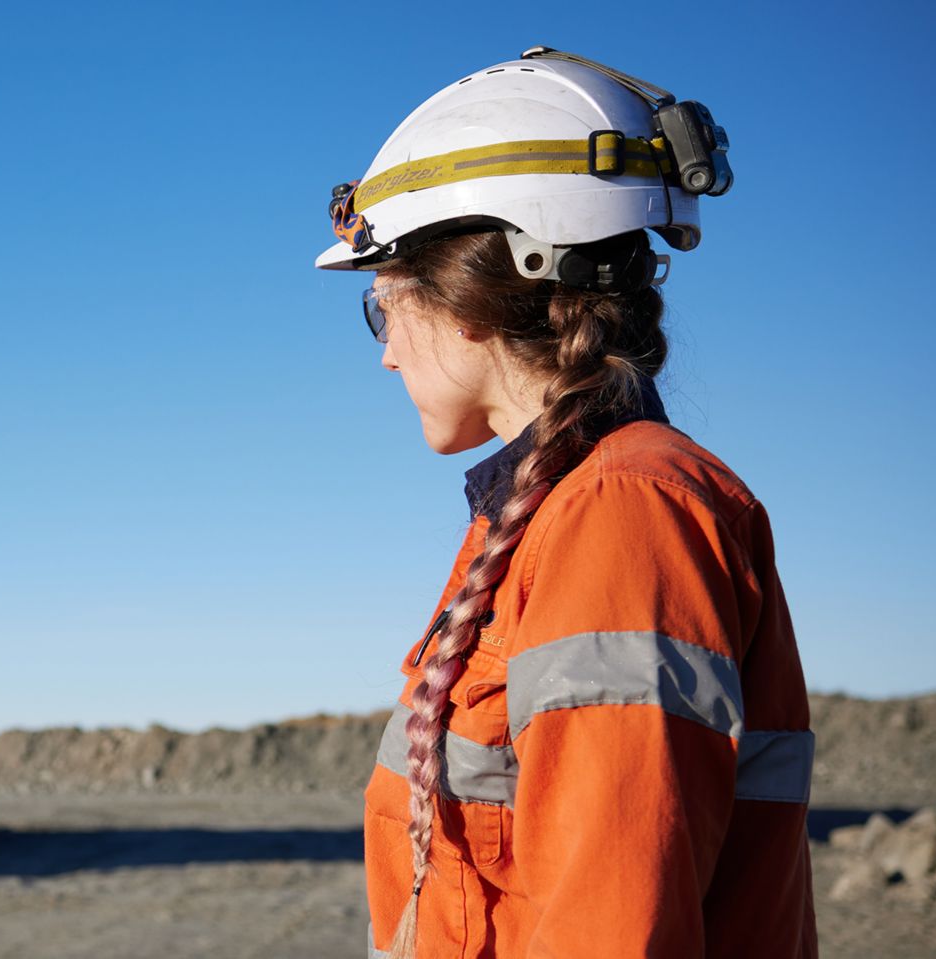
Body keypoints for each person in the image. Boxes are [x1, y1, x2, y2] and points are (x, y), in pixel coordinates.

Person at [316, 49, 817, 957]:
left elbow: (612, 919)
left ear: (465, 299)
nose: (387, 353)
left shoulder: (623, 513)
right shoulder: (556, 509)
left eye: (384, 308)